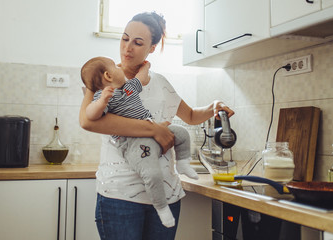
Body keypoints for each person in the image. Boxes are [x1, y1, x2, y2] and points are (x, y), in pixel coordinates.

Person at [79, 12, 234, 240]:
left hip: (167, 194)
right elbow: (88, 122)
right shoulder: (102, 78)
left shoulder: (160, 82)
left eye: (138, 42)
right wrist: (154, 129)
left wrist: (213, 106)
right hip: (120, 197)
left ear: (152, 47)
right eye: (124, 38)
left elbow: (190, 115)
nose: (127, 48)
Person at [80, 56, 198, 228]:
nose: (119, 67)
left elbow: (141, 79)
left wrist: (146, 65)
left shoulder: (128, 88)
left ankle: (183, 163)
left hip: (152, 129)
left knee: (182, 134)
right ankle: (162, 207)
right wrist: (101, 102)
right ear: (108, 75)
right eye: (115, 66)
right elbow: (90, 116)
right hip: (133, 143)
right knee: (152, 173)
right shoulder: (104, 96)